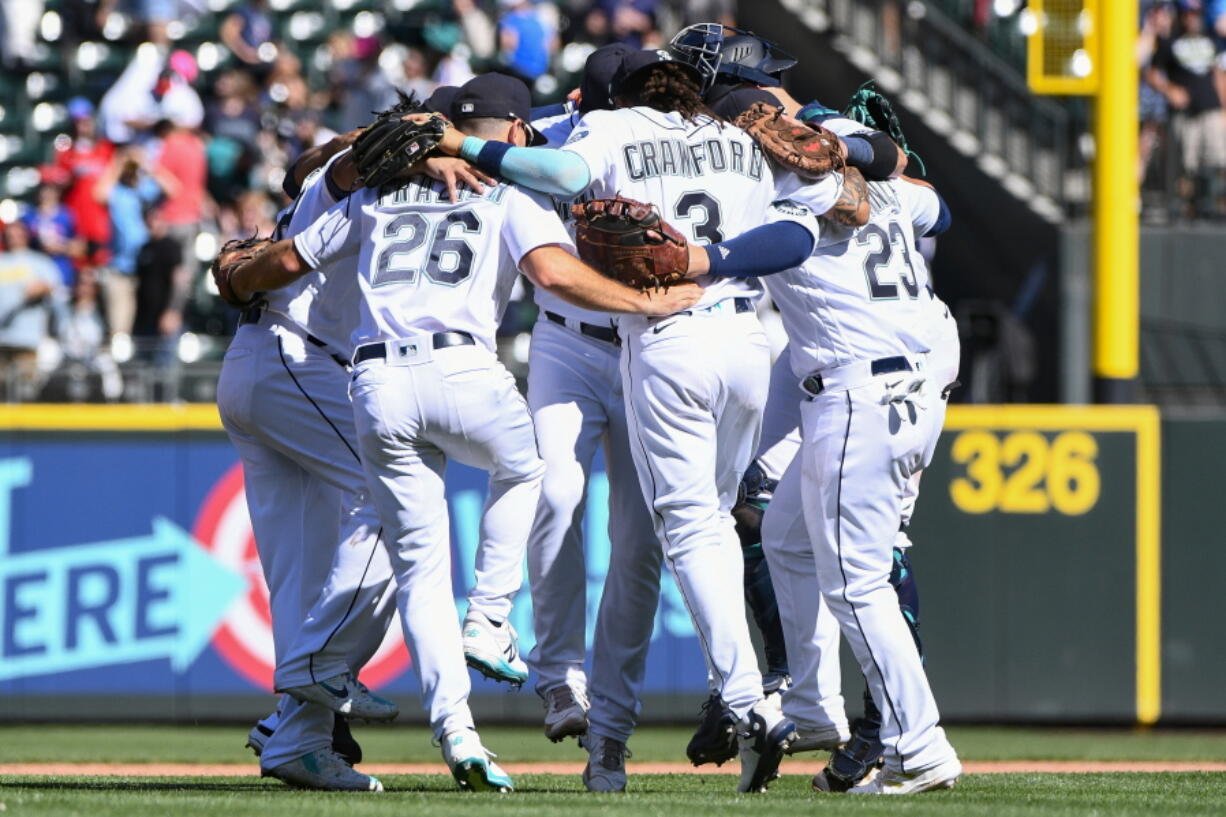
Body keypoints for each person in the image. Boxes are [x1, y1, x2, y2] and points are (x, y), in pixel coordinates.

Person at [222, 71, 702, 793]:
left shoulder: (368, 189)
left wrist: (230, 267)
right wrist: (646, 302)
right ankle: (467, 625)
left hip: (365, 376)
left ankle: (425, 728)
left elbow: (293, 231)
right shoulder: (502, 188)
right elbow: (553, 272)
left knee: (397, 562)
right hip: (373, 363)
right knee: (525, 467)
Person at [429, 48, 846, 793]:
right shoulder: (742, 138)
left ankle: (703, 711)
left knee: (663, 540)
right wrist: (717, 256)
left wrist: (460, 144)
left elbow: (558, 176)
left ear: (605, 96)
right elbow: (807, 230)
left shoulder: (600, 130)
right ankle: (593, 699)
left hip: (658, 337)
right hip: (725, 335)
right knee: (667, 518)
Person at [214, 130, 400, 793]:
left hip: (268, 366)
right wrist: (370, 145)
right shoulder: (333, 187)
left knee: (304, 570)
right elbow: (348, 167)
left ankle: (296, 733)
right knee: (394, 496)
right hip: (294, 358)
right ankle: (321, 668)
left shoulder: (327, 191)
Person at [521, 44, 670, 784]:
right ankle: (558, 675)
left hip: (652, 342)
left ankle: (611, 726)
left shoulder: (679, 141)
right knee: (552, 490)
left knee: (640, 544)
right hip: (565, 340)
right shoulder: (551, 130)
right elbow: (492, 138)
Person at [1148, 0, 1226, 217]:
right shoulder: (1170, 42)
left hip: (1210, 109)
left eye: (1195, 13)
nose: (1192, 17)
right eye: (1187, 14)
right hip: (1185, 114)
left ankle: (1212, 207)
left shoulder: (1211, 40)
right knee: (1186, 163)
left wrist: (1224, 107)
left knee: (1215, 159)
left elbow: (1218, 74)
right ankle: (1185, 208)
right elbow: (1152, 74)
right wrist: (1170, 90)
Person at [0, 221, 62, 398]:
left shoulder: (39, 262)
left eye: (17, 234)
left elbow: (55, 288)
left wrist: (41, 288)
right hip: (1, 339)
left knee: (25, 391)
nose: (13, 238)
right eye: (9, 234)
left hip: (26, 338)